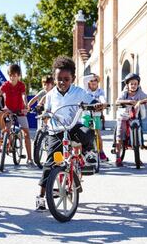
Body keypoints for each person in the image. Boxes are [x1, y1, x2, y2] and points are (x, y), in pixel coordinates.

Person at [35, 56, 104, 211]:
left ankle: (88, 154)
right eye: (59, 79)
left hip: (72, 127)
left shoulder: (78, 92)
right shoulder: (51, 94)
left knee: (87, 133)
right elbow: (46, 110)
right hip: (56, 131)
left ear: (72, 78)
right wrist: (44, 114)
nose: (62, 82)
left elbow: (91, 101)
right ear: (54, 78)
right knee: (50, 164)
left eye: (66, 79)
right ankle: (40, 196)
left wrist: (96, 105)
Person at [0, 64, 34, 166]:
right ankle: (7, 140)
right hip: (8, 110)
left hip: (20, 110)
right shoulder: (5, 85)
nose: (12, 77)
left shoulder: (21, 85)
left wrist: (26, 105)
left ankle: (30, 159)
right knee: (6, 128)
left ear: (19, 76)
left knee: (26, 134)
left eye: (15, 75)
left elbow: (23, 96)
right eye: (10, 75)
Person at [114, 73, 147, 167]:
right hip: (123, 116)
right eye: (131, 84)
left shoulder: (139, 92)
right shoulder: (124, 93)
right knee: (120, 135)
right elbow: (117, 101)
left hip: (134, 116)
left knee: (139, 130)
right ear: (127, 85)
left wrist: (139, 102)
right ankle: (118, 157)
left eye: (135, 84)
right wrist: (128, 101)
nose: (134, 86)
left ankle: (139, 150)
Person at [83, 73, 108, 161]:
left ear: (98, 82)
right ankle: (85, 151)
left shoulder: (100, 91)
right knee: (85, 133)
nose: (93, 82)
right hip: (86, 114)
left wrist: (103, 103)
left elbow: (102, 98)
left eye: (95, 81)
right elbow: (84, 78)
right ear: (88, 83)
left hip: (96, 114)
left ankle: (101, 152)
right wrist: (92, 75)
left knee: (98, 133)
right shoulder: (86, 90)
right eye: (91, 81)